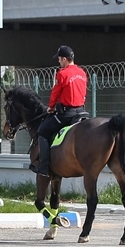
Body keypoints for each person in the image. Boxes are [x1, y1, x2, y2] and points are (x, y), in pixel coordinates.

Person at [31, 45, 87, 177]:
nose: (58, 61)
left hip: (67, 114)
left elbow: (55, 93)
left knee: (43, 132)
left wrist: (51, 107)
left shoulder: (62, 74)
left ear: (65, 59)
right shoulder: (82, 73)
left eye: (59, 59)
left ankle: (44, 168)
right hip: (82, 111)